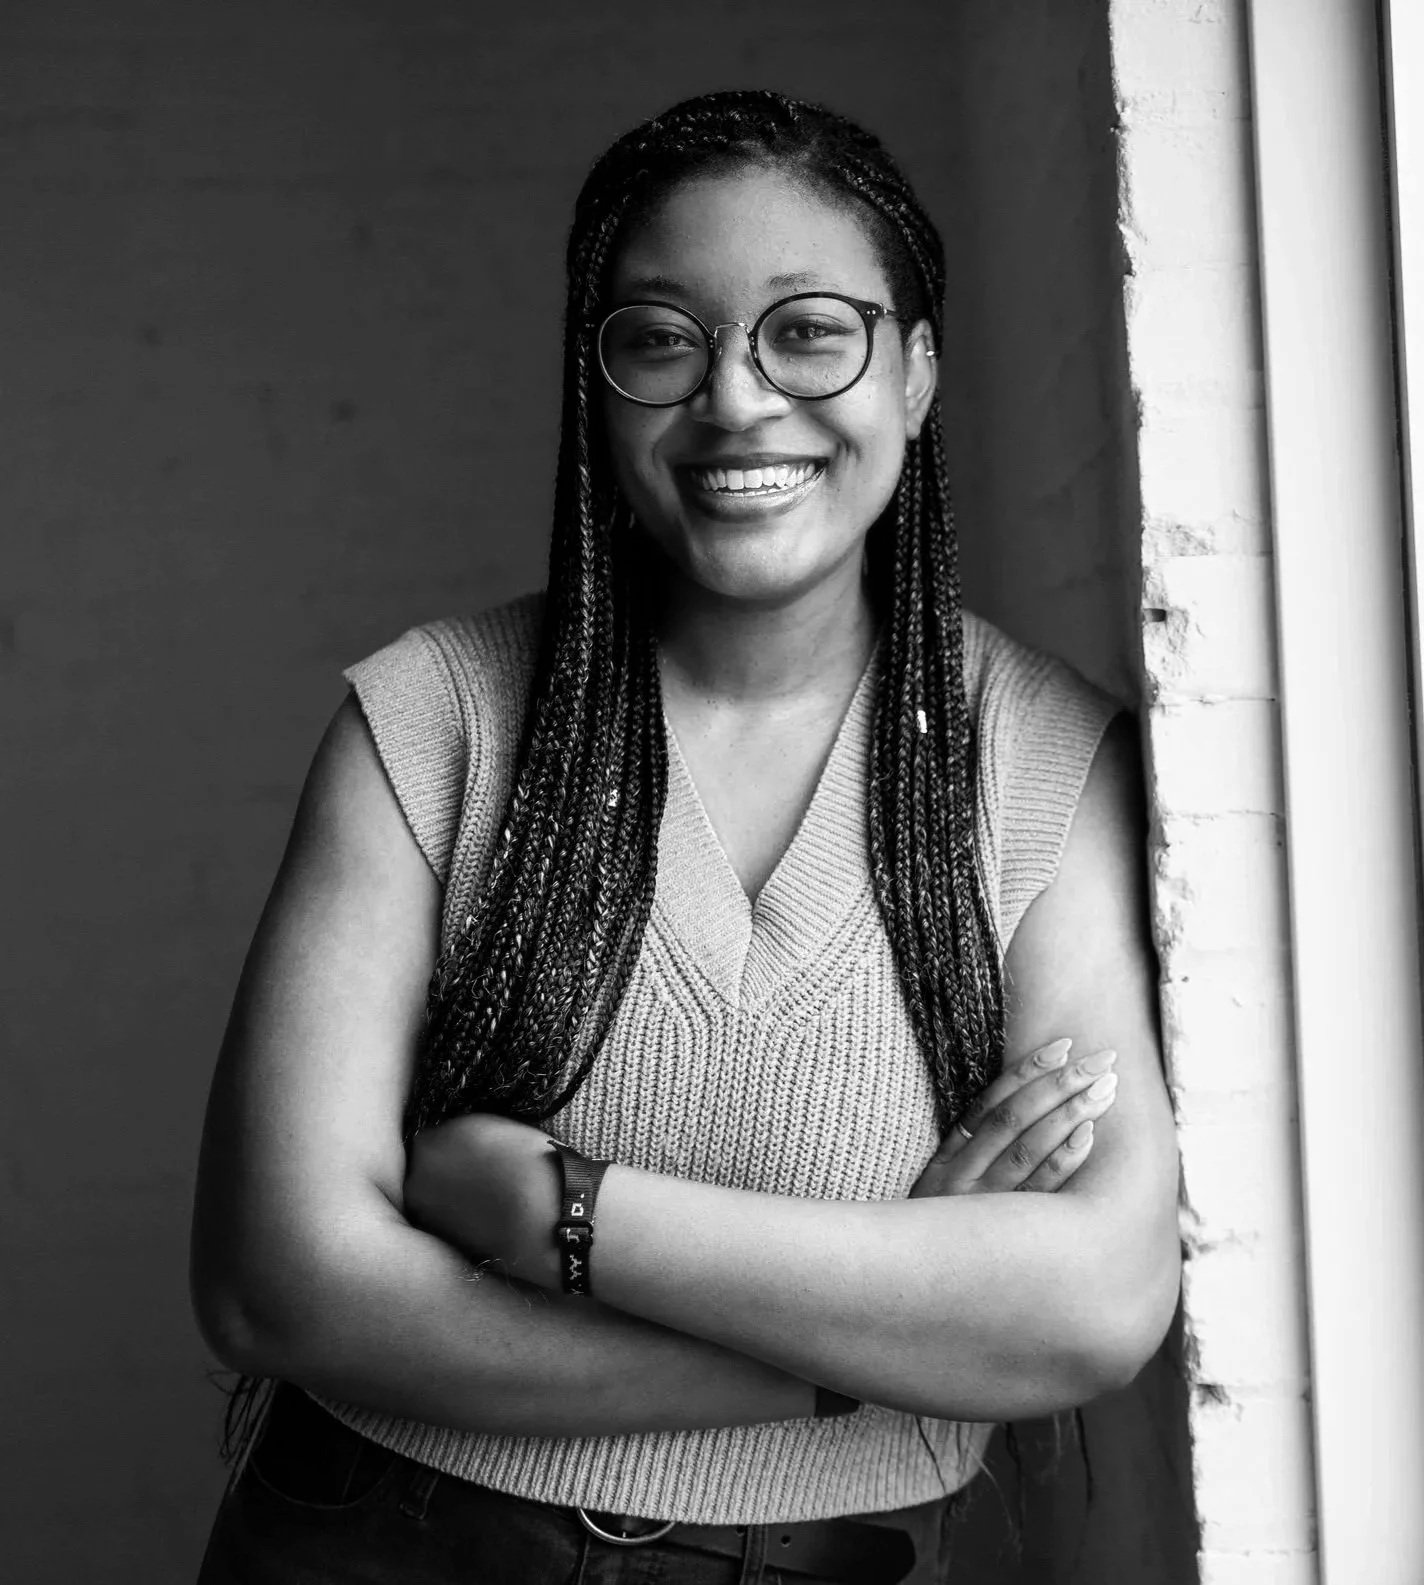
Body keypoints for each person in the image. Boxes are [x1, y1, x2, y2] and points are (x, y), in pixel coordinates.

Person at [190, 89, 1180, 1585]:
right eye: (661, 339)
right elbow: (277, 1284)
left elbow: (1094, 1302)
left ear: (916, 374)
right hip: (390, 1546)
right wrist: (851, 1352)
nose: (734, 399)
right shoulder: (435, 719)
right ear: (599, 392)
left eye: (810, 332)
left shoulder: (1046, 761)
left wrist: (563, 1214)